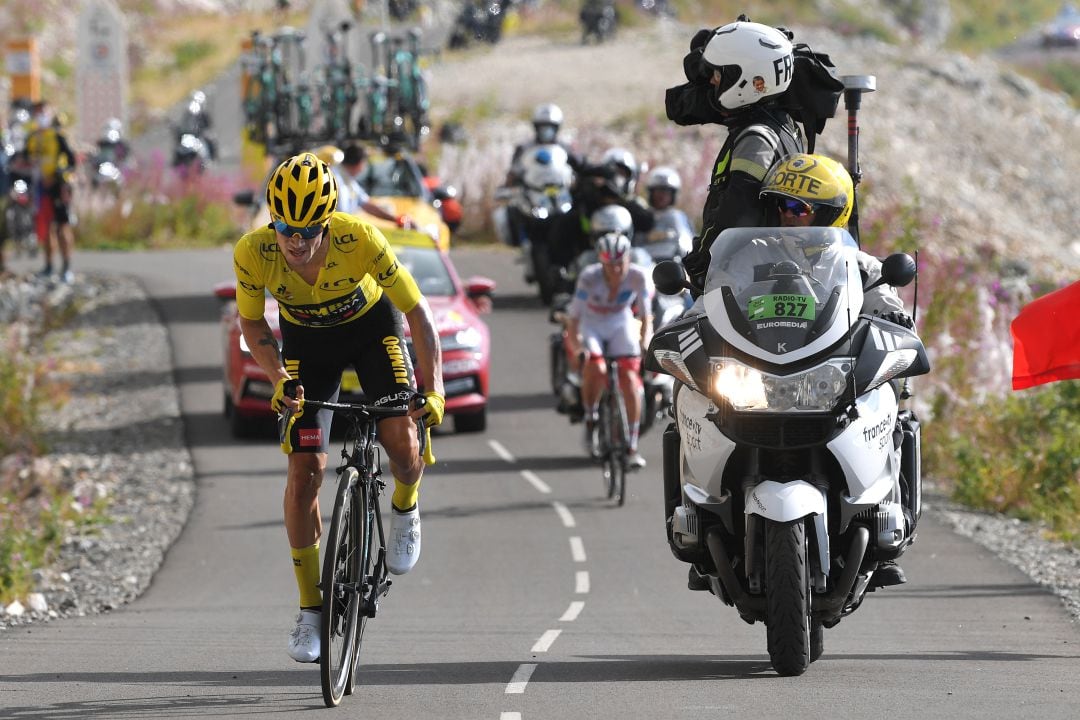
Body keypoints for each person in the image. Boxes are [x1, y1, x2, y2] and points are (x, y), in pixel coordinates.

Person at [231, 152, 444, 663]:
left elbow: (418, 313)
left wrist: (433, 389)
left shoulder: (360, 238)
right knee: (304, 472)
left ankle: (406, 505)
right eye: (285, 228)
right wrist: (279, 377)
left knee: (400, 440)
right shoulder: (253, 252)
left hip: (373, 331)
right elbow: (254, 326)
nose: (296, 241)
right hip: (308, 345)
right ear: (272, 220)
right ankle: (310, 608)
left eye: (309, 230)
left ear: (328, 221)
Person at [758, 153, 913, 589]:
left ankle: (887, 512)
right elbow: (714, 297)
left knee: (887, 402)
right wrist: (688, 318)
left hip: (831, 379)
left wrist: (895, 320)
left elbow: (887, 304)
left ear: (829, 213)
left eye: (798, 208)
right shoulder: (749, 258)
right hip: (764, 377)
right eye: (781, 206)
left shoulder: (858, 266)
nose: (786, 217)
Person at [665, 17, 804, 287]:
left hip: (743, 278)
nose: (713, 81)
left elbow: (740, 208)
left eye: (720, 74)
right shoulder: (784, 123)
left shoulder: (757, 138)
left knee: (675, 331)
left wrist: (704, 257)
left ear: (749, 80)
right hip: (766, 270)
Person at [565, 205, 654, 470]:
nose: (615, 271)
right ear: (602, 262)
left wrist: (645, 340)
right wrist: (577, 345)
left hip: (619, 322)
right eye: (610, 265)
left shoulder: (638, 276)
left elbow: (647, 316)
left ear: (628, 259)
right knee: (597, 365)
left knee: (629, 378)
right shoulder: (589, 278)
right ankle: (591, 416)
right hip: (592, 323)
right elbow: (574, 320)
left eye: (620, 264)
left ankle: (632, 445)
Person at [25, 103, 77, 282]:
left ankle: (66, 267)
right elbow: (23, 158)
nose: (40, 117)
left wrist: (58, 175)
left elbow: (71, 161)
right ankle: (48, 266)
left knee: (62, 226)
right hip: (39, 188)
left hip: (58, 187)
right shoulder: (31, 138)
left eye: (43, 113)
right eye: (37, 113)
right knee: (45, 228)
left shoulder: (58, 137)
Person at [327, 143, 415, 228]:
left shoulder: (348, 181)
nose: (363, 168)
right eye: (364, 164)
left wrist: (395, 219)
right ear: (360, 163)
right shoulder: (334, 178)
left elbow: (366, 204)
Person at [642, 166, 694, 257]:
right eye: (658, 191)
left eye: (666, 192)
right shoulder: (642, 215)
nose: (662, 196)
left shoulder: (677, 217)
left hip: (672, 264)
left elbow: (686, 244)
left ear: (673, 195)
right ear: (651, 193)